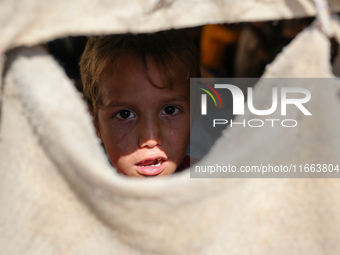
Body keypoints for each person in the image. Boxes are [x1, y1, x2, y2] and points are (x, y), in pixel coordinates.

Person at [79, 30, 200, 177]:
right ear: (94, 123)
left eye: (170, 110)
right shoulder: (77, 193)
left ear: (193, 114)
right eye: (125, 114)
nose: (150, 139)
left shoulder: (215, 187)